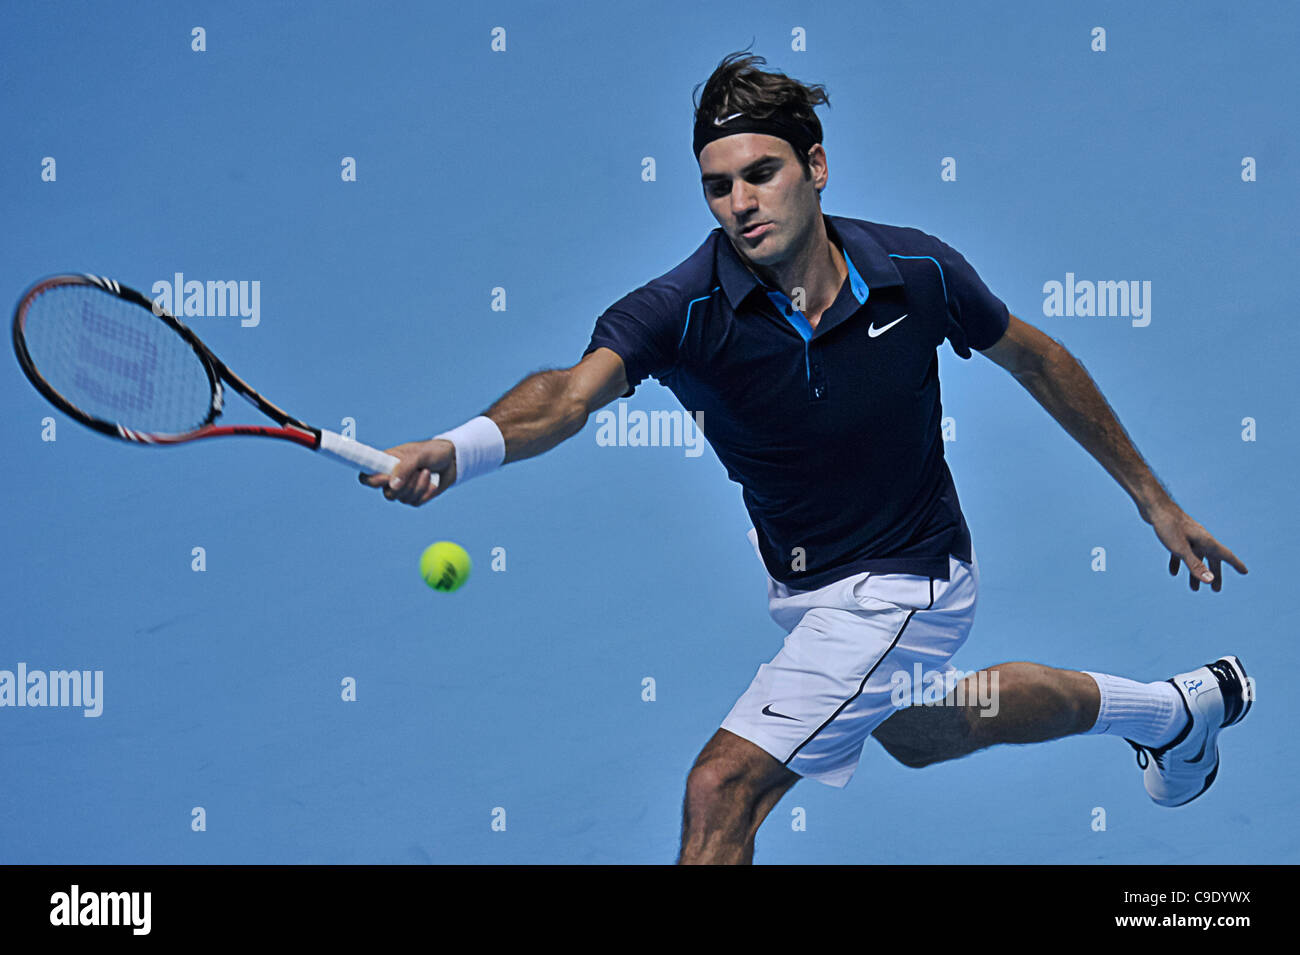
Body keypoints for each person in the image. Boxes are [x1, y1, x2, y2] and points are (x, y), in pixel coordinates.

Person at [361, 51, 1252, 865]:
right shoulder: (679, 310)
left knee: (722, 789)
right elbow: (565, 395)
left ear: (815, 167)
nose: (740, 202)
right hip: (808, 587)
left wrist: (1153, 500)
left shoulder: (917, 270)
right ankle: (1174, 713)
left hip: (911, 580)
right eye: (717, 187)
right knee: (923, 730)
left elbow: (1038, 357)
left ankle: (1169, 715)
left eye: (761, 174)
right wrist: (458, 447)